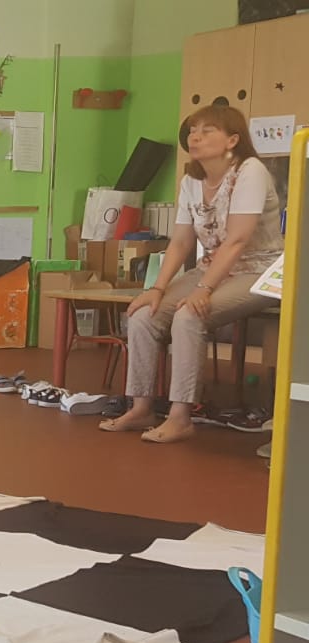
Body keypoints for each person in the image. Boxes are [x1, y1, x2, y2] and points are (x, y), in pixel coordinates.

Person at [101, 105, 283, 444]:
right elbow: (182, 241)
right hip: (213, 268)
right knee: (144, 314)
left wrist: (204, 287)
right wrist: (157, 288)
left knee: (189, 314)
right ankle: (141, 408)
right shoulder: (191, 181)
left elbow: (238, 239)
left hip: (261, 270)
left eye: (207, 130)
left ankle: (180, 417)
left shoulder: (250, 171)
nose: (194, 137)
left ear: (232, 140)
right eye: (192, 131)